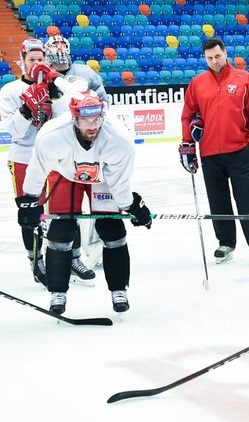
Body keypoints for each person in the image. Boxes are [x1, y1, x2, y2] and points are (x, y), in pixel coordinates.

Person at [16, 90, 150, 315]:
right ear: (74, 118)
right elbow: (37, 169)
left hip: (103, 177)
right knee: (60, 231)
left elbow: (119, 181)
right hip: (66, 174)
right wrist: (29, 200)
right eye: (85, 119)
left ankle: (119, 290)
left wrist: (131, 206)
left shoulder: (119, 141)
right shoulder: (53, 136)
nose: (92, 125)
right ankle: (57, 292)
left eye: (96, 118)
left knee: (111, 229)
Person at [0, 37, 104, 285]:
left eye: (40, 59)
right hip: (25, 158)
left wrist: (54, 93)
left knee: (65, 210)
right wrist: (27, 108)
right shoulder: (10, 91)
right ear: (22, 63)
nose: (36, 64)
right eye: (31, 60)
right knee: (30, 211)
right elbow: (15, 132)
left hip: (57, 159)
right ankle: (37, 261)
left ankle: (73, 257)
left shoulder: (59, 86)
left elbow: (70, 118)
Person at [179, 36, 249, 265]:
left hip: (239, 150)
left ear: (225, 53)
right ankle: (226, 242)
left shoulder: (243, 79)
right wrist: (188, 144)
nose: (214, 61)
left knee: (247, 197)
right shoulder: (197, 83)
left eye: (217, 56)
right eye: (209, 58)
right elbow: (188, 115)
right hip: (209, 153)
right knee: (218, 201)